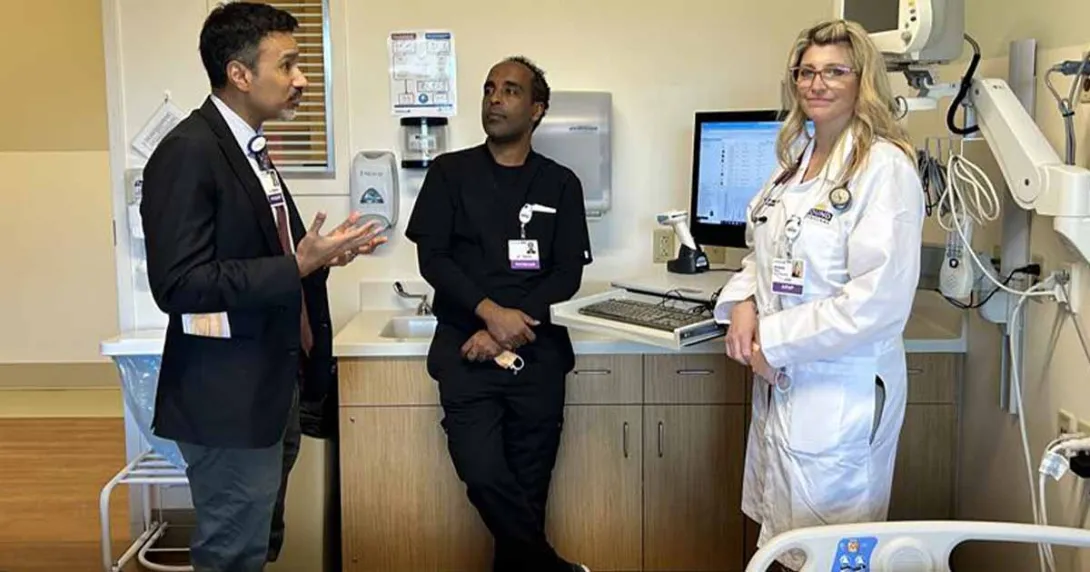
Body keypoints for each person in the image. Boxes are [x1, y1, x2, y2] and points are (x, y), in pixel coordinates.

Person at [140, 3, 386, 570]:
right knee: (232, 553)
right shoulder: (189, 152)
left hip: (273, 389)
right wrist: (297, 265)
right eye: (289, 65)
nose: (301, 80)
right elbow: (179, 284)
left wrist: (326, 257)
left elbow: (273, 259)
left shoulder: (249, 148)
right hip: (226, 400)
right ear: (240, 74)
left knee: (257, 546)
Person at [714, 19, 924, 572]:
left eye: (835, 71)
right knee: (784, 545)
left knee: (834, 553)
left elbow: (876, 304)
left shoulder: (884, 168)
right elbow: (760, 254)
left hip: (841, 393)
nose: (817, 83)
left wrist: (770, 340)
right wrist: (742, 304)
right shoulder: (793, 167)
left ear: (862, 81)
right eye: (806, 71)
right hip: (785, 386)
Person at [405, 56, 593, 572]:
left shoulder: (560, 184)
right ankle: (550, 567)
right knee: (485, 476)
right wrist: (490, 315)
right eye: (490, 89)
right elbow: (433, 259)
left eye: (510, 91)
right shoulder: (450, 174)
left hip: (538, 357)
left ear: (537, 109)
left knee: (529, 491)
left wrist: (509, 330)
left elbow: (565, 275)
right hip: (466, 353)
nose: (494, 98)